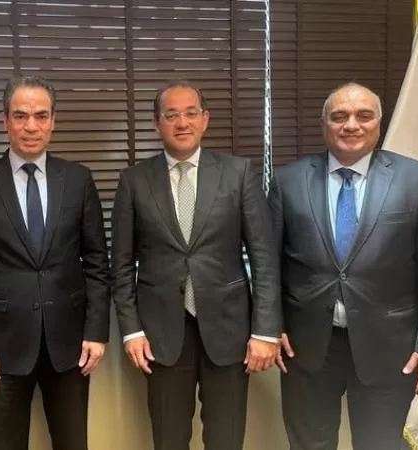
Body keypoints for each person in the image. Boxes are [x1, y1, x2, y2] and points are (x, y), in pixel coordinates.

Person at [268, 82, 418, 450]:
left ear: (378, 123)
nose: (351, 125)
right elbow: (269, 264)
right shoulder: (289, 181)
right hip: (307, 348)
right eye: (339, 116)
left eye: (363, 115)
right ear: (324, 124)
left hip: (390, 348)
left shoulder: (416, 180)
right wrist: (270, 326)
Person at [111, 80, 282, 450]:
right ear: (157, 124)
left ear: (205, 119)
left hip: (230, 330)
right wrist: (131, 331)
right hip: (160, 334)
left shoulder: (238, 173)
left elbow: (264, 258)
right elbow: (121, 265)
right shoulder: (134, 181)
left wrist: (265, 330)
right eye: (171, 115)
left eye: (191, 113)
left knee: (226, 438)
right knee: (169, 438)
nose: (182, 122)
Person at [0, 75, 110, 450]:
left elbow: (96, 263)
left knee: (73, 443)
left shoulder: (78, 180)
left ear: (53, 121)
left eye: (41, 116)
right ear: (5, 121)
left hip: (70, 344)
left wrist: (96, 331)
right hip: (1, 348)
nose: (31, 126)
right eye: (21, 116)